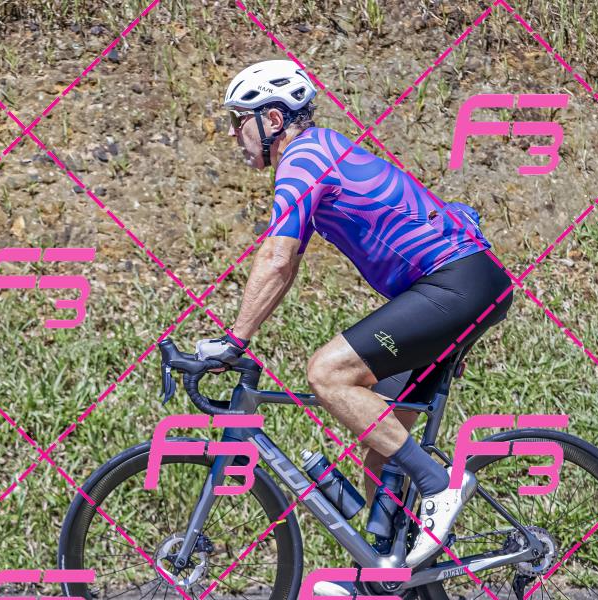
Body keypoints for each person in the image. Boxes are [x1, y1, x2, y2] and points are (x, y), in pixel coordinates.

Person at [194, 60, 514, 574]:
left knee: (328, 373)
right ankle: (389, 575)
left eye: (239, 119)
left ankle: (440, 485)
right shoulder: (321, 150)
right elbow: (286, 263)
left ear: (273, 119)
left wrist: (235, 340)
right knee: (384, 454)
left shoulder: (303, 158)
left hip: (454, 285)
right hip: (465, 285)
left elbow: (276, 258)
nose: (234, 133)